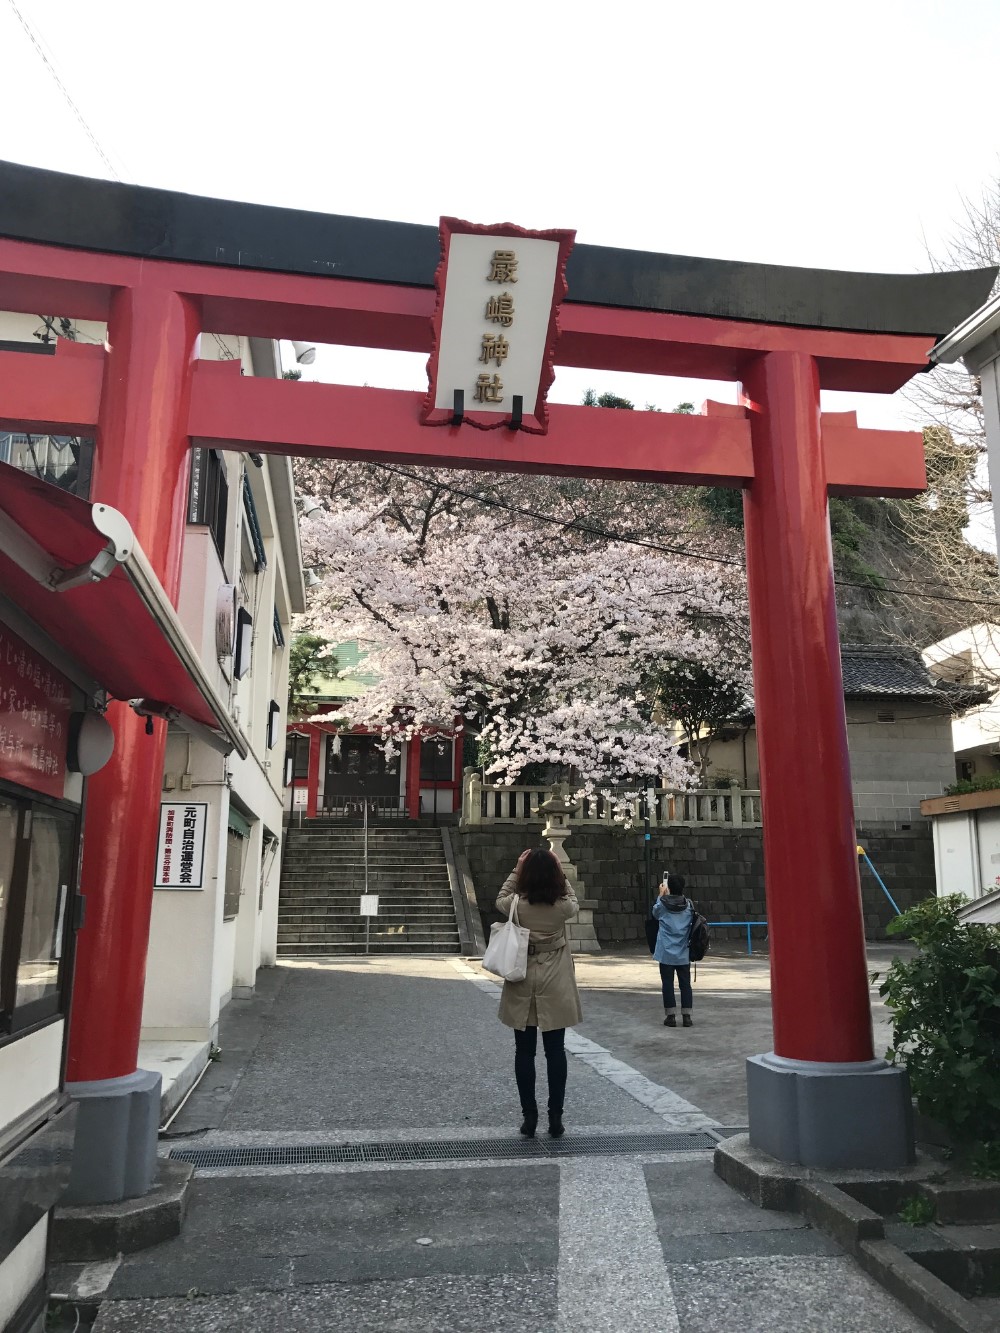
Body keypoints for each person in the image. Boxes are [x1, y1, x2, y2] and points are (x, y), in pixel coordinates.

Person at [495, 848, 582, 1138]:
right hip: (555, 981)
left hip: (522, 978)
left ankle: (529, 1117)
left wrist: (517, 869)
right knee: (555, 1051)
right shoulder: (562, 908)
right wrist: (560, 870)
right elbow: (573, 901)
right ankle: (555, 1117)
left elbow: (500, 898)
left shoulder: (516, 904)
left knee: (524, 1051)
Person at [653, 872, 694, 1028]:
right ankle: (687, 1016)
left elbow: (655, 914)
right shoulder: (688, 905)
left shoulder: (662, 905)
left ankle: (670, 1016)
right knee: (685, 984)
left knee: (667, 983)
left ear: (668, 887)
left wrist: (661, 895)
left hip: (666, 952)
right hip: (684, 951)